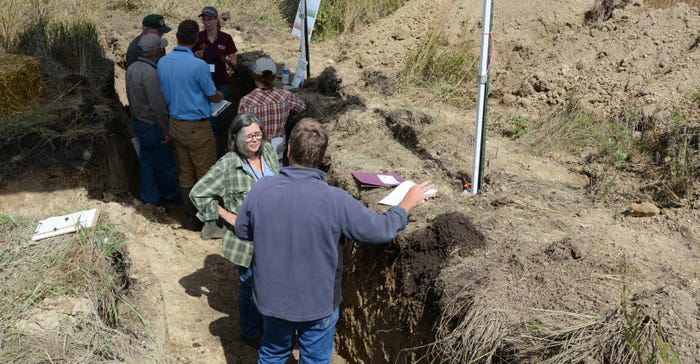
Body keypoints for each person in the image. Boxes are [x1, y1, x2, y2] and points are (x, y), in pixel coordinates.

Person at [234, 118, 436, 363]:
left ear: (287, 150)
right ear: (322, 157)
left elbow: (242, 230)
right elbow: (381, 230)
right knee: (315, 359)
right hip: (318, 303)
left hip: (272, 299)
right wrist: (406, 204)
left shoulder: (262, 188)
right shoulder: (335, 200)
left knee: (273, 353)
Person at [190, 112, 280, 345]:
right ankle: (250, 332)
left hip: (274, 235)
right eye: (248, 136)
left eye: (258, 134)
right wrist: (228, 216)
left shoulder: (269, 152)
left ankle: (266, 324)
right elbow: (198, 193)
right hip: (247, 241)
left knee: (270, 282)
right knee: (249, 283)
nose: (255, 140)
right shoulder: (228, 165)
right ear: (236, 138)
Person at [158, 19, 224, 230]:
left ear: (177, 37)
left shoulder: (163, 62)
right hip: (197, 127)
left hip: (176, 124)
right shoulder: (198, 65)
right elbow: (212, 95)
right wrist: (220, 95)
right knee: (206, 173)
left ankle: (190, 218)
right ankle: (209, 223)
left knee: (185, 172)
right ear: (197, 39)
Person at [125, 33, 178, 206]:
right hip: (153, 126)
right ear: (155, 53)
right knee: (165, 164)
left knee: (147, 163)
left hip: (139, 123)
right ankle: (169, 196)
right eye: (161, 49)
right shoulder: (150, 74)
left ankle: (149, 199)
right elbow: (158, 107)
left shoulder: (131, 68)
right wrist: (166, 131)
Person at [238, 57, 306, 162]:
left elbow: (241, 129)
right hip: (277, 149)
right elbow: (302, 107)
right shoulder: (285, 96)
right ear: (273, 77)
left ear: (254, 77)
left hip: (255, 150)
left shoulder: (246, 101)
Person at [194, 6, 238, 158]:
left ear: (216, 20)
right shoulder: (198, 38)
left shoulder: (226, 38)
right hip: (202, 84)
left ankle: (218, 153)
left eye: (210, 19)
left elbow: (234, 62)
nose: (207, 23)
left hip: (221, 83)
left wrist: (226, 60)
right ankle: (207, 151)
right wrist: (196, 57)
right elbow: (189, 58)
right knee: (206, 118)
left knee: (216, 118)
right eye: (204, 20)